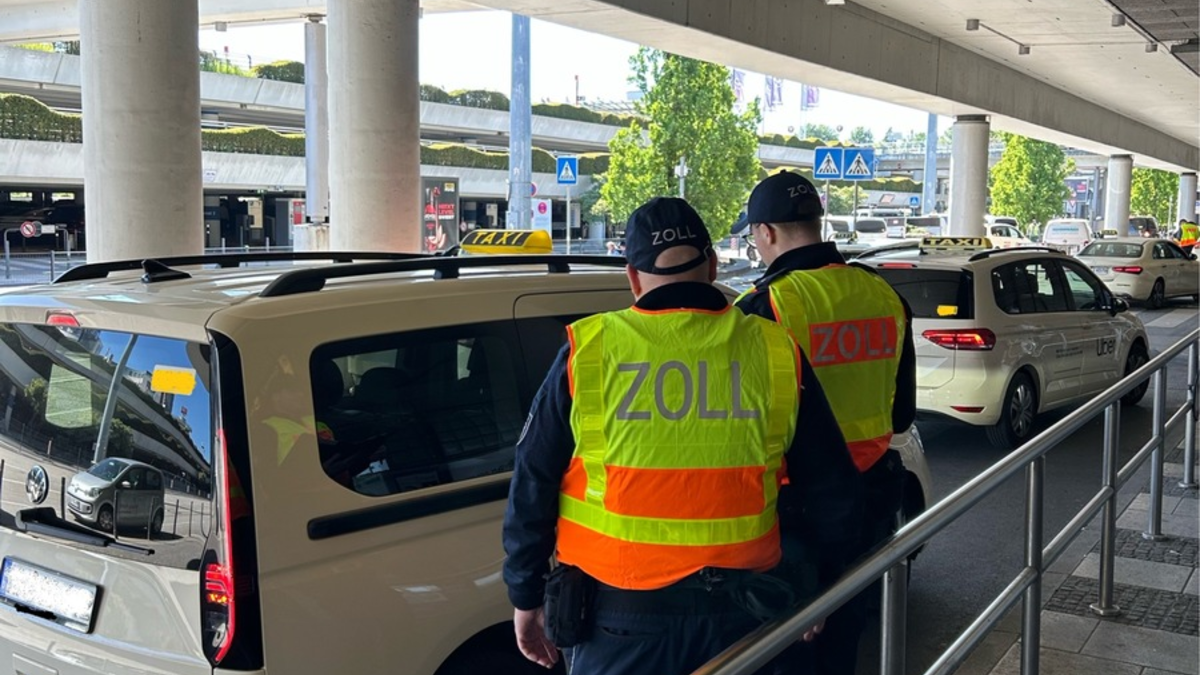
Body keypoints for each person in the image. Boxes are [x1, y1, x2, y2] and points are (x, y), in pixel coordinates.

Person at [502, 196, 863, 675]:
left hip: (620, 618)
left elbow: (532, 482)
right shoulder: (775, 349)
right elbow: (831, 487)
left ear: (632, 278)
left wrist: (525, 594)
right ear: (713, 265)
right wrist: (819, 584)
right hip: (752, 612)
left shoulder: (588, 351)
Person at [734, 171, 917, 675]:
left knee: (786, 652)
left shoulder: (763, 307)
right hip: (871, 502)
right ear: (816, 223)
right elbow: (902, 414)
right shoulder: (882, 294)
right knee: (844, 639)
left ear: (766, 233)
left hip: (797, 513)